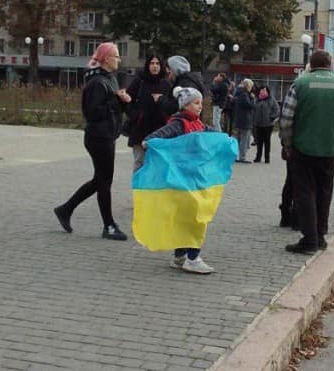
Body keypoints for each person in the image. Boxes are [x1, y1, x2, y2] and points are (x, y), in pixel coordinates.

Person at [54, 42, 131, 241]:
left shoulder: (109, 79)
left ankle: (66, 209)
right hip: (99, 137)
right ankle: (109, 225)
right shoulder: (97, 82)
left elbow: (112, 107)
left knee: (100, 180)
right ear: (105, 59)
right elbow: (92, 112)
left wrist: (122, 101)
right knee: (104, 181)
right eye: (116, 56)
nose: (119, 59)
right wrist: (116, 101)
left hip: (107, 135)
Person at [280, 49, 334, 253]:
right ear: (330, 64)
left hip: (303, 147)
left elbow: (286, 118)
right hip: (330, 147)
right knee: (324, 192)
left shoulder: (300, 83)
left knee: (305, 192)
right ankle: (320, 236)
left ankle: (309, 240)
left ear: (311, 63)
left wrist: (287, 144)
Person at [143, 86, 216, 274]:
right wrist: (149, 142)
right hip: (184, 181)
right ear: (185, 105)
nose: (200, 106)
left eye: (200, 103)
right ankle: (193, 258)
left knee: (187, 218)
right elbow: (158, 135)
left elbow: (211, 134)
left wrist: (223, 140)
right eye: (195, 103)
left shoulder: (198, 124)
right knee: (197, 218)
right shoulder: (179, 124)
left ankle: (179, 256)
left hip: (195, 179)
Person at [124, 53, 171, 171]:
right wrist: (136, 115)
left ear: (162, 66)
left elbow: (171, 105)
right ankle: (138, 188)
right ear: (147, 65)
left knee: (157, 164)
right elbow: (127, 100)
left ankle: (152, 189)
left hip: (160, 130)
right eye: (152, 63)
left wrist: (162, 101)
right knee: (140, 162)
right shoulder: (140, 81)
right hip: (140, 129)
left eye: (157, 64)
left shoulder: (166, 84)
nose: (154, 66)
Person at [253, 85, 279, 163]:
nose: (262, 91)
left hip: (268, 125)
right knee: (259, 141)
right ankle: (258, 157)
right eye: (261, 90)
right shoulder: (257, 99)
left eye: (264, 90)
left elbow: (277, 110)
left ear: (267, 92)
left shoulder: (271, 99)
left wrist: (272, 117)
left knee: (267, 141)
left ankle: (267, 158)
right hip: (258, 124)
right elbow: (253, 110)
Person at [233, 79, 256, 163]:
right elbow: (250, 105)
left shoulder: (239, 92)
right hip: (245, 119)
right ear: (248, 86)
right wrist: (252, 98)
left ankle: (237, 156)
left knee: (239, 138)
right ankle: (242, 157)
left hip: (239, 118)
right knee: (244, 139)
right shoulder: (244, 94)